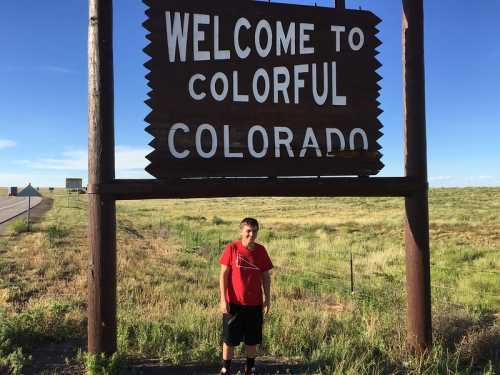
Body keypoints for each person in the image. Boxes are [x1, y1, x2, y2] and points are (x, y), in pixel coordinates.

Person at [219, 218, 273, 375]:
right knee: (229, 339)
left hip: (254, 303)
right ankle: (225, 368)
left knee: (252, 339)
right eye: (248, 230)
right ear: (241, 231)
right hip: (233, 303)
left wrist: (267, 299)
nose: (251, 234)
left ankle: (250, 367)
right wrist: (223, 299)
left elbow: (266, 276)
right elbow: (223, 274)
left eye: (255, 231)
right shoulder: (232, 248)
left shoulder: (261, 250)